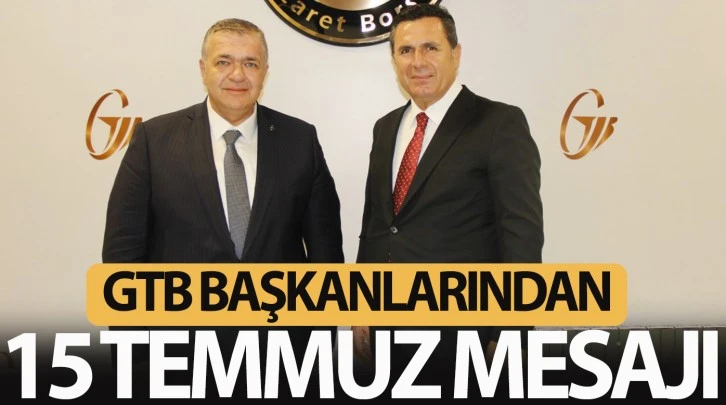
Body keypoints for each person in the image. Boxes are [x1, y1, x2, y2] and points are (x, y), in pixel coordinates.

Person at [102, 18, 344, 399]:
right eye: (223, 62)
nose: (237, 75)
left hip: (282, 362)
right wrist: (135, 358)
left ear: (265, 72)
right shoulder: (154, 141)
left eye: (250, 63)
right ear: (203, 69)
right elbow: (122, 259)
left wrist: (317, 349)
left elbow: (326, 258)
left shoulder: (301, 141)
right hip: (177, 359)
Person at [353, 3, 544, 398]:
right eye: (406, 51)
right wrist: (361, 309)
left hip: (467, 332)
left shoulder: (499, 123)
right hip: (388, 330)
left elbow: (521, 235)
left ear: (455, 54)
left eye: (431, 48)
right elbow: (376, 227)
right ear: (394, 60)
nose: (418, 62)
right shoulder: (385, 128)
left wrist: (511, 331)